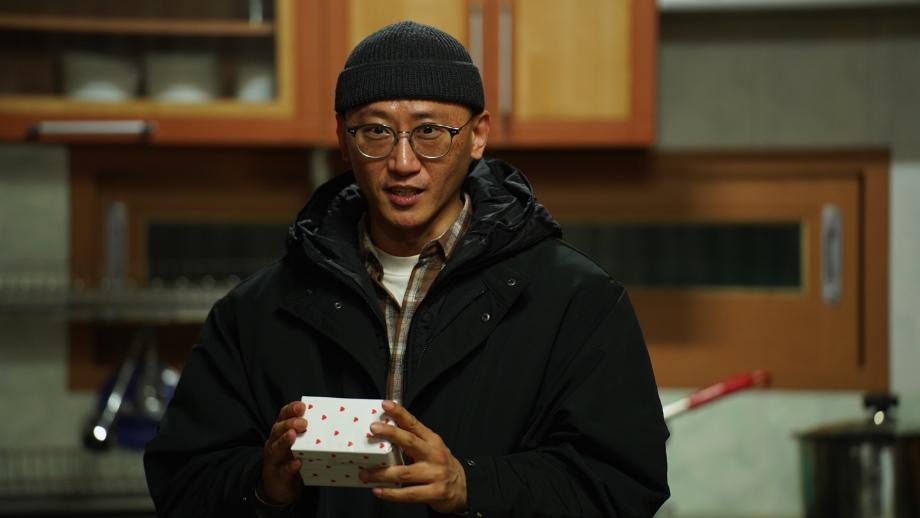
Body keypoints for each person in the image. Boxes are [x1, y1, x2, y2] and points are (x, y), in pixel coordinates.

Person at [144, 21, 669, 517]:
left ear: (478, 135)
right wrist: (262, 486)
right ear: (343, 138)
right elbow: (182, 481)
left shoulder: (577, 301)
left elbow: (622, 486)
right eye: (375, 131)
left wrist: (471, 485)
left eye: (430, 131)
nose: (402, 162)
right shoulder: (257, 311)